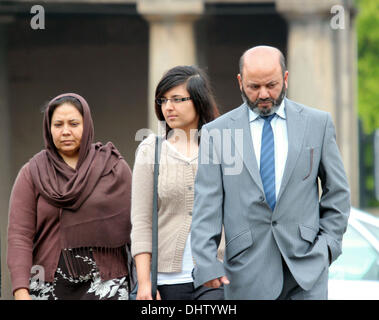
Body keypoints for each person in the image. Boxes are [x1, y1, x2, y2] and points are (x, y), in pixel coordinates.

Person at [191, 46, 351, 300]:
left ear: (285, 79)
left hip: (307, 273)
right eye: (254, 86)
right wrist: (206, 262)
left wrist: (328, 247)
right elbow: (206, 205)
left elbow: (338, 192)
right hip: (245, 275)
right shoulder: (216, 132)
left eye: (272, 85)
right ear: (240, 82)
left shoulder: (317, 123)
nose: (264, 94)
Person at [7, 93, 132, 300]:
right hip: (47, 285)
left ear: (87, 125)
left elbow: (138, 226)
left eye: (73, 123)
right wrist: (21, 291)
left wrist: (147, 280)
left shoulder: (113, 167)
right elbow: (19, 236)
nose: (65, 131)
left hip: (107, 284)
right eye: (58, 125)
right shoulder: (32, 172)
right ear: (49, 129)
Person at [131, 65, 225, 300]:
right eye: (163, 101)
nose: (168, 107)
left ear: (199, 101)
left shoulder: (223, 148)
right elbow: (142, 221)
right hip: (166, 282)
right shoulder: (150, 150)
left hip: (214, 278)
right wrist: (144, 283)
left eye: (177, 99)